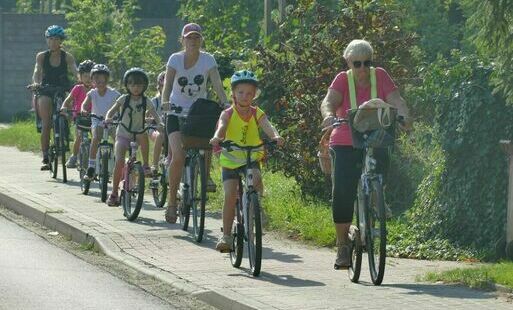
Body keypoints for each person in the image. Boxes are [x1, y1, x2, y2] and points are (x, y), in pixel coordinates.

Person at [320, 39, 412, 269]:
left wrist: (404, 116)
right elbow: (329, 101)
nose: (362, 68)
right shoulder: (342, 79)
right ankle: (342, 246)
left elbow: (396, 100)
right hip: (344, 138)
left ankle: (377, 196)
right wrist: (328, 115)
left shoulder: (380, 75)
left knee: (382, 159)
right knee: (342, 191)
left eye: (366, 63)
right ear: (348, 62)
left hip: (375, 135)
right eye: (357, 63)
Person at [161, 23, 230, 223]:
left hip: (198, 111)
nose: (193, 41)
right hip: (175, 112)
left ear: (201, 40)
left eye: (196, 38)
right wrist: (165, 102)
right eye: (189, 38)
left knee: (207, 144)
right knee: (178, 156)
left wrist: (225, 103)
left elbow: (216, 83)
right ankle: (172, 202)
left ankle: (206, 176)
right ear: (182, 40)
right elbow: (168, 84)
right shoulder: (175, 59)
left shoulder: (208, 59)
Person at [210, 70, 284, 252]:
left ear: (254, 95)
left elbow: (267, 124)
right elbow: (222, 126)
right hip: (231, 158)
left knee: (257, 178)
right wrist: (218, 137)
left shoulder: (256, 112)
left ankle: (256, 207)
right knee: (229, 194)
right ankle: (226, 236)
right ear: (233, 93)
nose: (245, 96)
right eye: (241, 92)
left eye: (249, 93)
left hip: (251, 156)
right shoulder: (227, 113)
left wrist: (275, 136)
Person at [105, 68, 162, 206]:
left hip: (138, 133)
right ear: (127, 85)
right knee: (119, 161)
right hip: (123, 133)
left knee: (143, 135)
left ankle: (146, 166)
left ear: (144, 86)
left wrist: (160, 123)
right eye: (132, 84)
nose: (135, 88)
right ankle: (114, 193)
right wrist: (108, 119)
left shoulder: (146, 100)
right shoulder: (123, 99)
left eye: (139, 85)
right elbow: (111, 111)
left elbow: (154, 114)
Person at [32, 25, 79, 170]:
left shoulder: (67, 56)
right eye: (50, 39)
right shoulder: (41, 56)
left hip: (61, 89)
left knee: (67, 113)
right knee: (47, 123)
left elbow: (75, 70)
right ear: (47, 40)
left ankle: (65, 134)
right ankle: (46, 156)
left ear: (61, 41)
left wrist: (81, 80)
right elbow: (37, 71)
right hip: (45, 89)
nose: (53, 42)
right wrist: (36, 83)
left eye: (56, 39)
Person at [80, 64, 120, 180]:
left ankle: (119, 164)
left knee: (118, 139)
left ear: (107, 79)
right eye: (96, 78)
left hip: (111, 122)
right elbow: (85, 104)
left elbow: (120, 105)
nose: (99, 81)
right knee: (96, 138)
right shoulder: (92, 93)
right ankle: (91, 167)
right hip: (97, 121)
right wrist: (83, 110)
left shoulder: (114, 93)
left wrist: (119, 116)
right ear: (92, 81)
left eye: (102, 78)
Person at [60, 59, 95, 168]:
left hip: (94, 117)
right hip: (79, 117)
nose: (88, 79)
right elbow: (69, 99)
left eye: (91, 76)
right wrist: (64, 107)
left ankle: (95, 159)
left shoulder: (97, 89)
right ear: (80, 76)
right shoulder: (78, 88)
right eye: (85, 76)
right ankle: (74, 156)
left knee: (95, 137)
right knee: (79, 137)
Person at [148, 71, 168, 175]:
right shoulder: (154, 101)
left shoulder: (174, 101)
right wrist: (149, 119)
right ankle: (154, 165)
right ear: (159, 87)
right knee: (161, 136)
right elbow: (146, 115)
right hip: (155, 129)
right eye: (163, 87)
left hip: (169, 129)